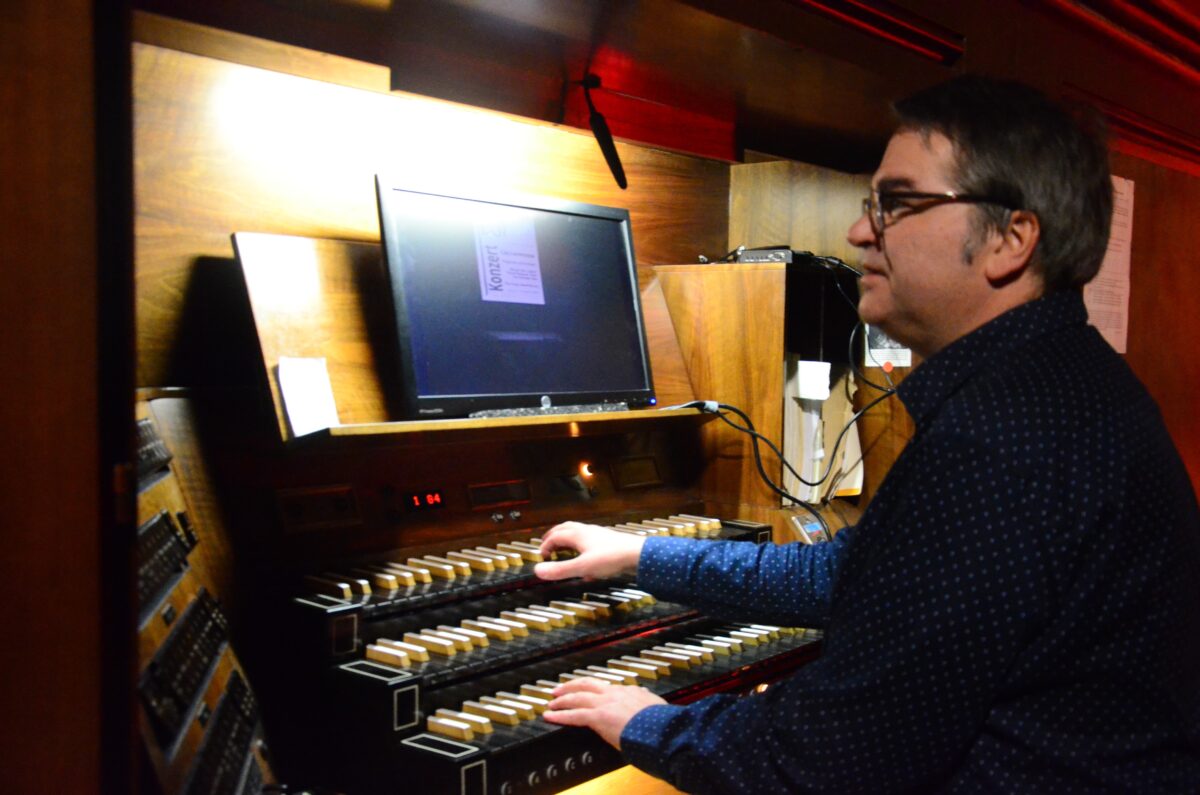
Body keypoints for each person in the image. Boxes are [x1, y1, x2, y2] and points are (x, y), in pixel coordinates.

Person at [533, 75, 1200, 793]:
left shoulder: (1001, 441)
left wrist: (652, 722)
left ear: (1011, 238)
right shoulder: (1063, 382)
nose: (858, 231)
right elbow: (849, 573)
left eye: (897, 202)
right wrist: (642, 553)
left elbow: (824, 762)